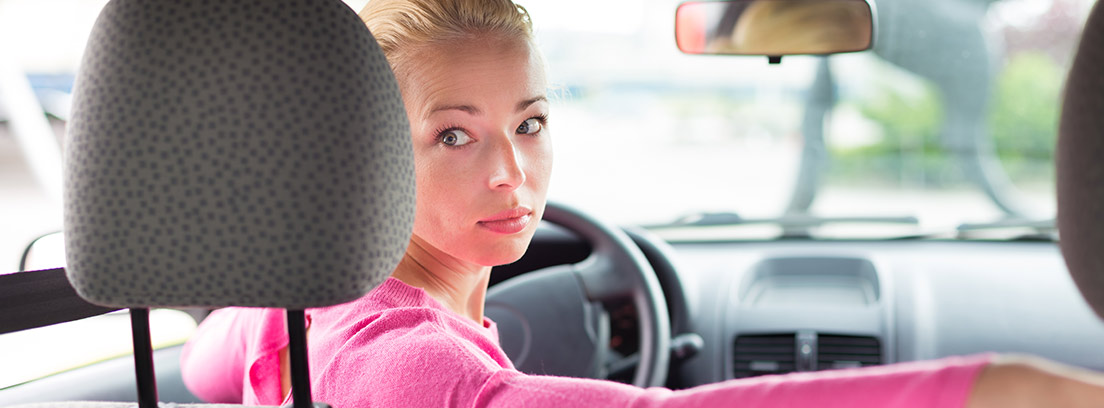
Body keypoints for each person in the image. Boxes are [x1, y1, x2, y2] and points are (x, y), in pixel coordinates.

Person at [180, 0, 1104, 406]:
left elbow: (205, 364)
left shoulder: (301, 308)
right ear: (368, 153)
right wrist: (1002, 389)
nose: (512, 173)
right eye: (454, 135)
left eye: (530, 123)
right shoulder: (404, 359)